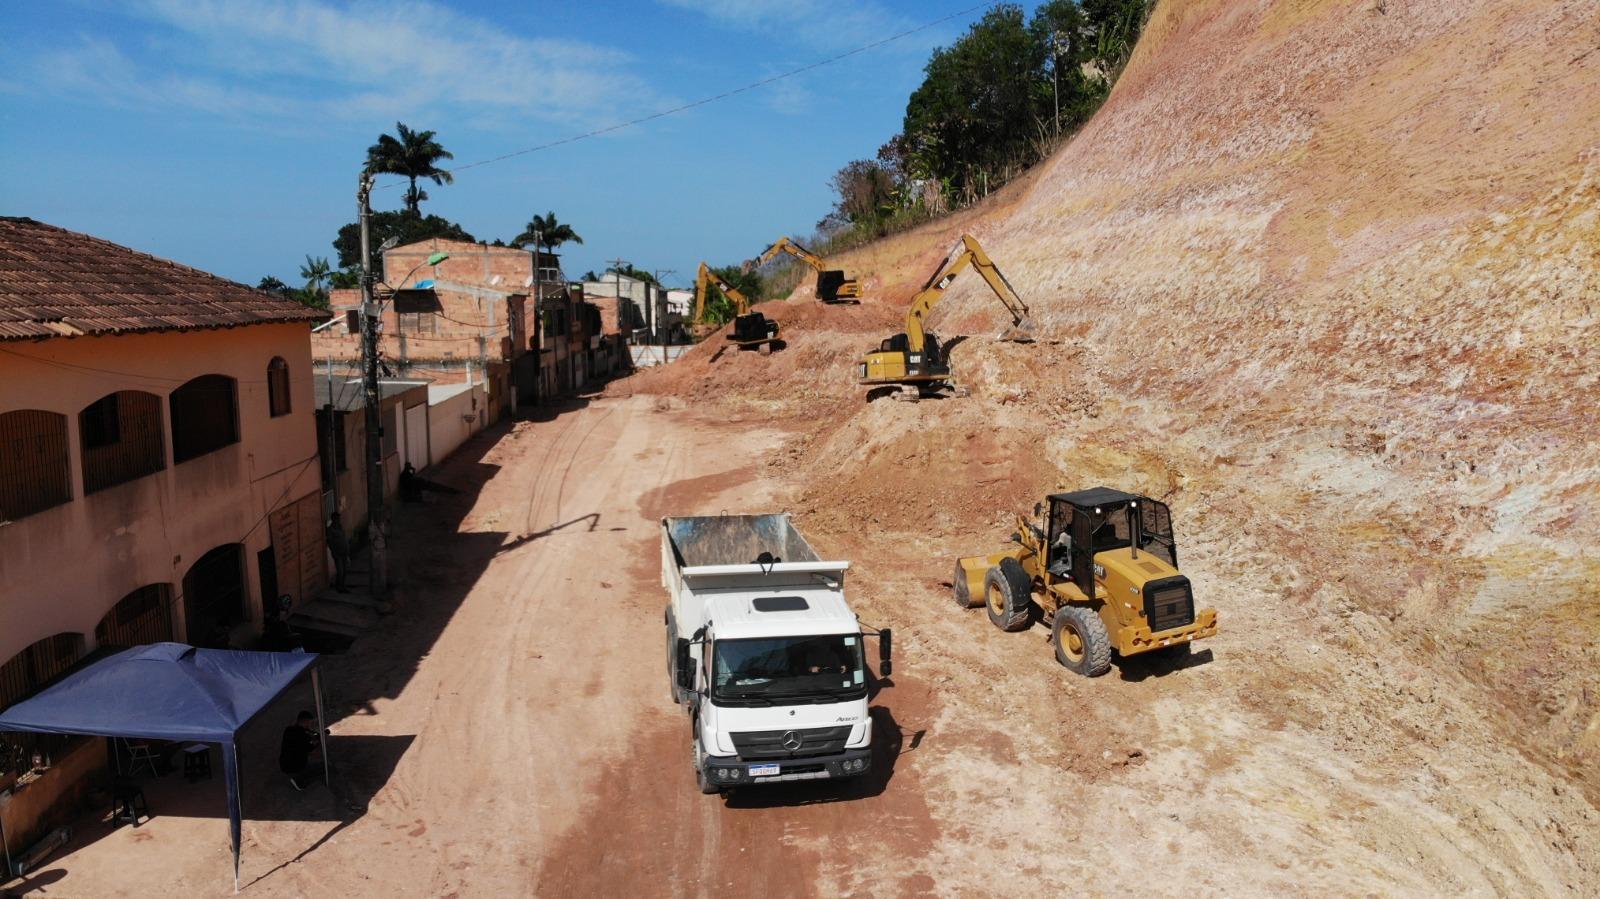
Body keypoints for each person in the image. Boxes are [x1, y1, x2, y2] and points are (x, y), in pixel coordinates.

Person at [278, 711, 322, 791]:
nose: (310, 725)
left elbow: (301, 737)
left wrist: (312, 734)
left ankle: (297, 775)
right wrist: (319, 741)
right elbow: (311, 750)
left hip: (283, 763)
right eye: (310, 722)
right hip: (295, 767)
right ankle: (299, 781)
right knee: (321, 769)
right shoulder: (303, 736)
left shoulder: (289, 729)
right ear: (306, 721)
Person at [326, 514, 349, 593]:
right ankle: (339, 587)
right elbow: (330, 542)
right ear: (333, 519)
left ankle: (341, 585)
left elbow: (344, 538)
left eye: (339, 518)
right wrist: (334, 552)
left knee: (345, 570)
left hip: (344, 552)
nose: (338, 520)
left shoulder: (340, 527)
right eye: (337, 519)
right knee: (340, 571)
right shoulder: (330, 529)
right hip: (337, 553)